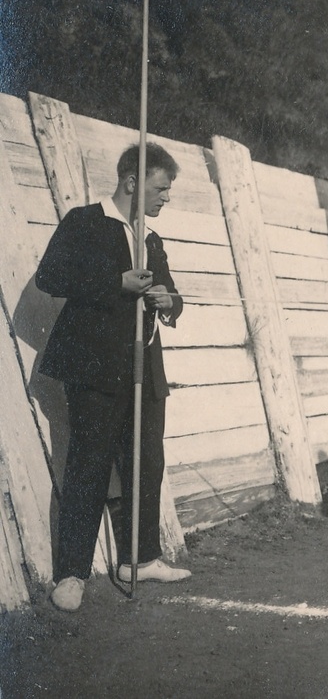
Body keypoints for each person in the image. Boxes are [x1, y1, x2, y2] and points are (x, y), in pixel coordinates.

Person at [39, 142, 192, 613]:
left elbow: (171, 292)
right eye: (160, 188)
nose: (166, 197)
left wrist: (170, 301)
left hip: (144, 368)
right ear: (132, 182)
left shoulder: (151, 238)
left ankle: (139, 559)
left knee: (147, 462)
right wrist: (115, 284)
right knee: (89, 465)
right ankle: (71, 574)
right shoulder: (84, 222)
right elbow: (51, 277)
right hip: (94, 367)